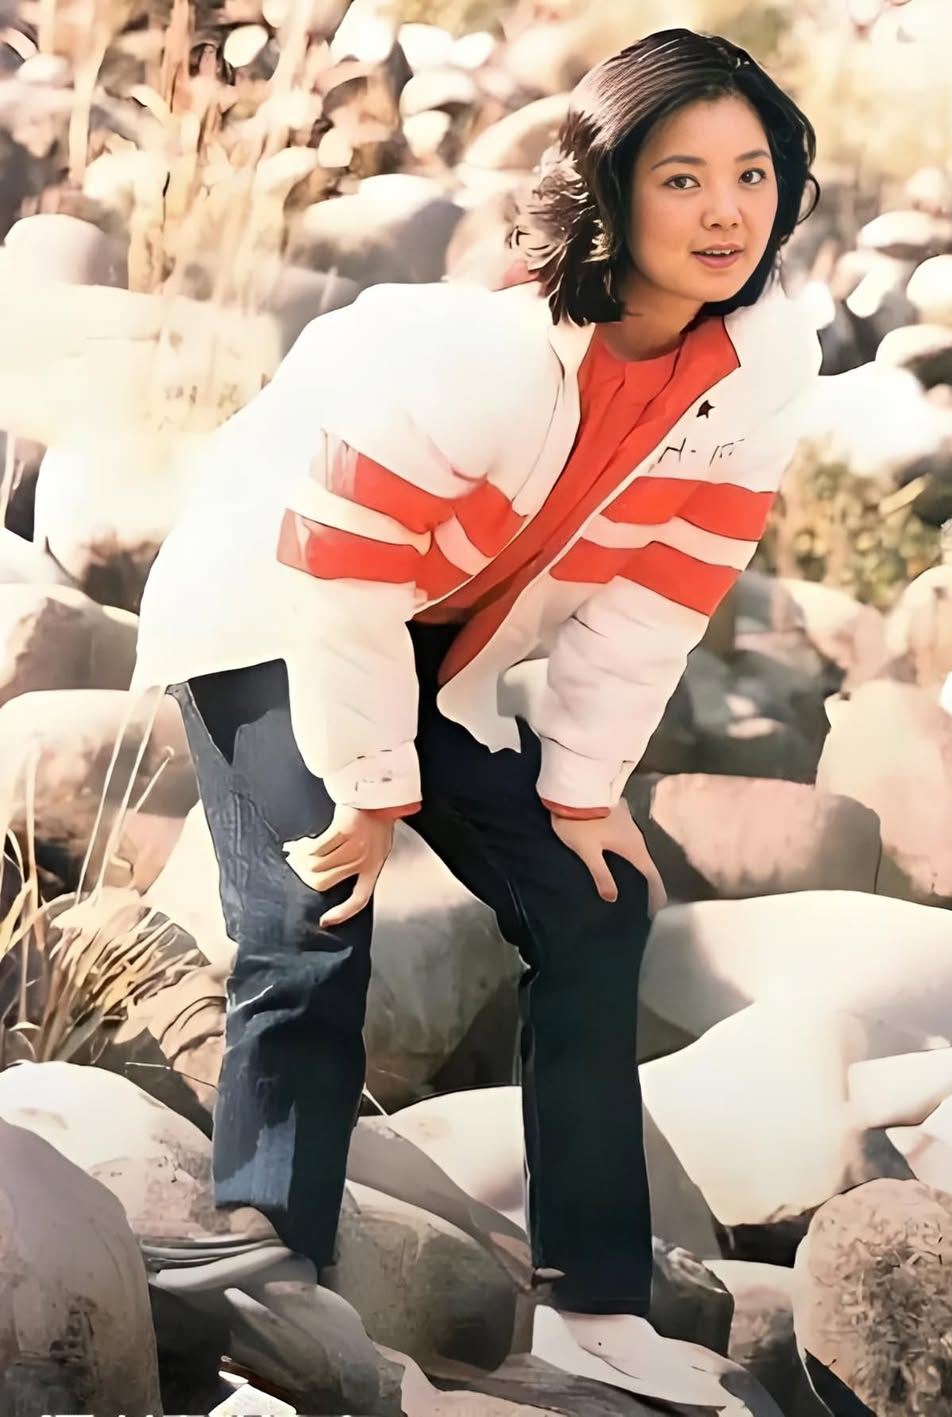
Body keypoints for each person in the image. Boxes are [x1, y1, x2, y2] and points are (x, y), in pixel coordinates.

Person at [132, 24, 822, 1397]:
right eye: (682, 178)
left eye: (752, 174)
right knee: (315, 899)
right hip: (277, 600)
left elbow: (662, 593)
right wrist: (371, 782)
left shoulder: (763, 366)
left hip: (436, 634)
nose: (727, 211)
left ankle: (593, 1301)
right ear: (608, 186)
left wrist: (582, 787)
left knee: (596, 902)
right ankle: (269, 1244)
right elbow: (338, 578)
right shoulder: (471, 349)